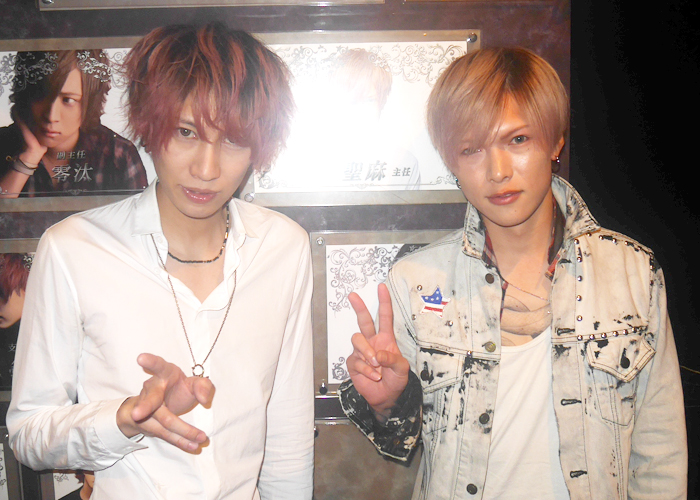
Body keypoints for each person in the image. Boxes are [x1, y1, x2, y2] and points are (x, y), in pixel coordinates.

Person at [339, 47, 687, 499]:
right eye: (471, 149)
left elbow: (660, 453)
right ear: (451, 162)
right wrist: (389, 404)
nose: (497, 171)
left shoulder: (632, 272)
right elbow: (401, 441)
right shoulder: (416, 281)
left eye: (518, 139)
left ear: (555, 142)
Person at [7, 23, 314, 499]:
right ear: (150, 126)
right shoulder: (74, 249)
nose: (206, 169)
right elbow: (29, 433)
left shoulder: (283, 247)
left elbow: (288, 440)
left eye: (233, 140)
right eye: (186, 132)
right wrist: (122, 420)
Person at [0, 49, 147, 197]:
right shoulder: (3, 144)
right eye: (41, 95)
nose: (51, 116)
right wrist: (28, 160)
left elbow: (141, 212)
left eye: (68, 100)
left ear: (90, 103)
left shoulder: (118, 155)